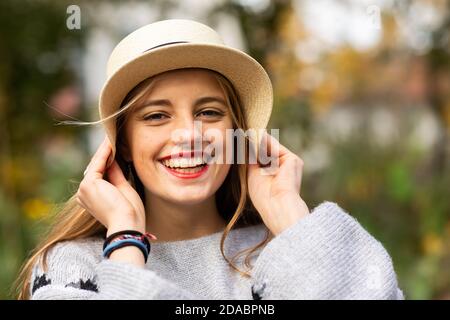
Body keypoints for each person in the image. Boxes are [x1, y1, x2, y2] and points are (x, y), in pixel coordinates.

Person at [15, 19, 404, 300]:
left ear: (238, 133)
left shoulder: (285, 250)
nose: (190, 135)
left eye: (209, 112)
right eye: (156, 115)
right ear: (123, 144)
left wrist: (290, 219)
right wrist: (126, 240)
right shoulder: (73, 266)